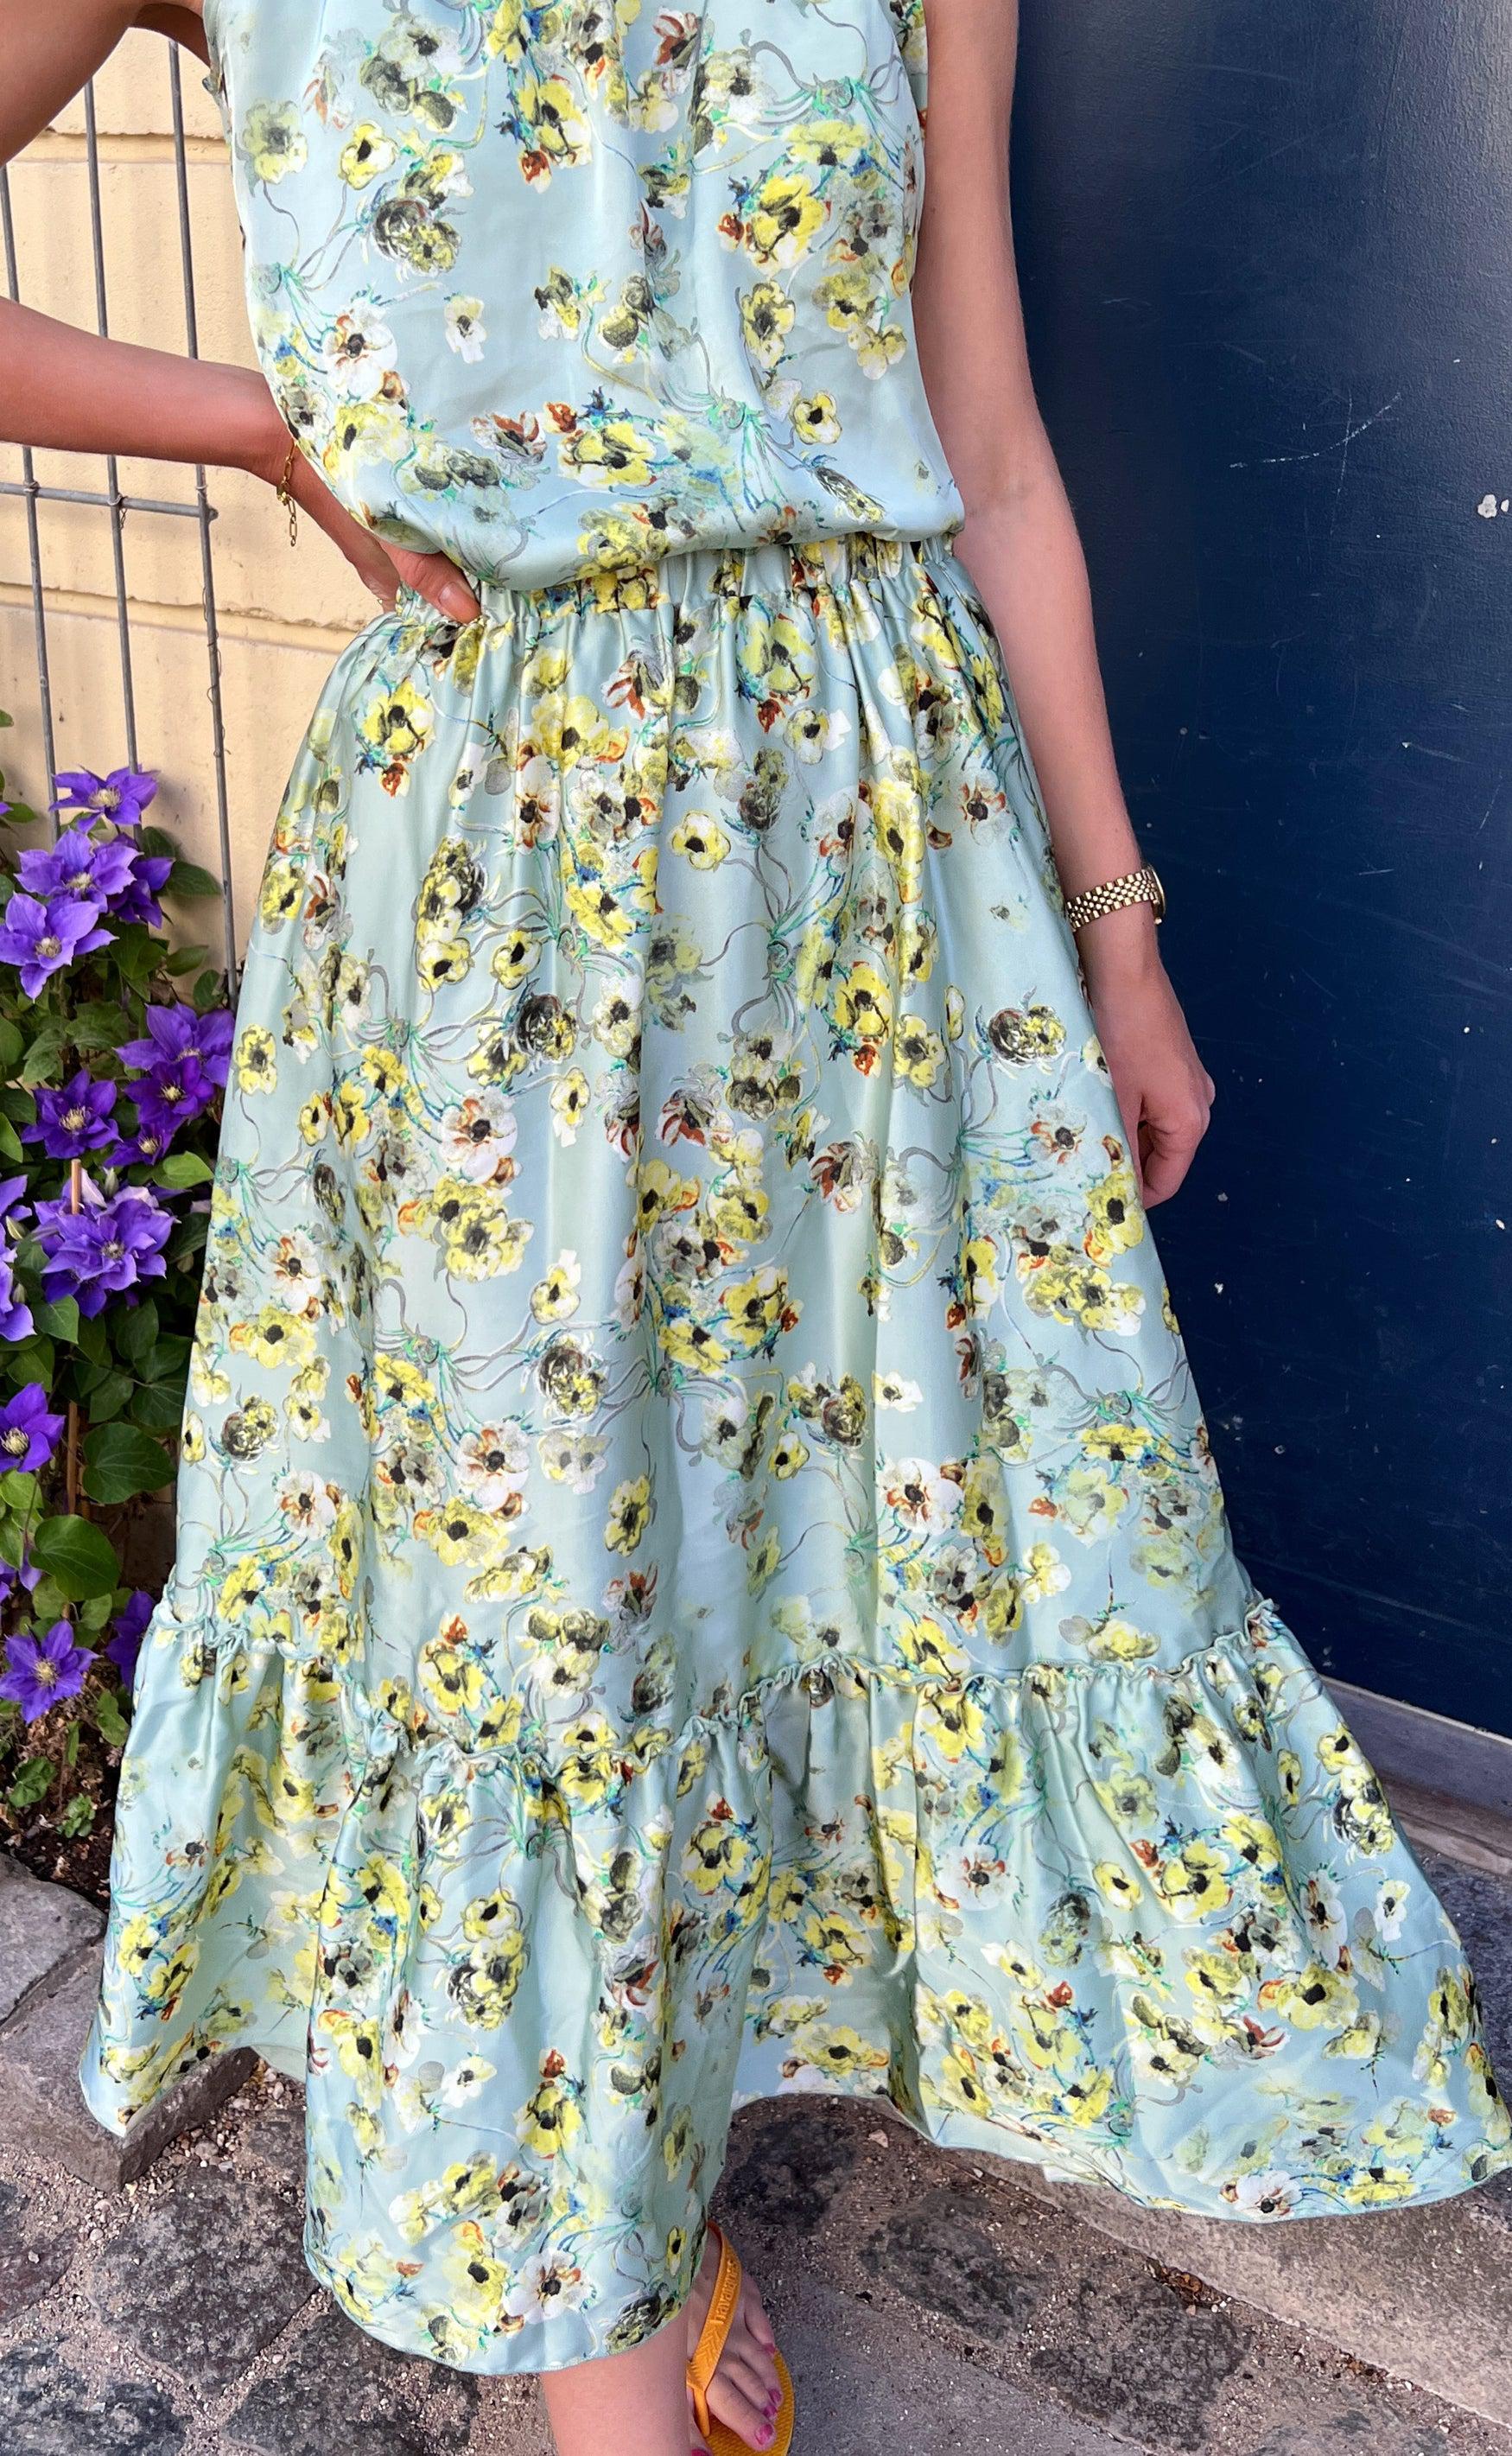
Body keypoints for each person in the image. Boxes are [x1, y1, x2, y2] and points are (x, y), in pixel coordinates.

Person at [5, 6, 1506, 2453]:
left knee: (841, 1544)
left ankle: (698, 2114)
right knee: (549, 1599)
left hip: (875, 842)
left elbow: (987, 442)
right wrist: (256, 421)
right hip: (494, 875)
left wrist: (1120, 923)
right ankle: (599, 2290)